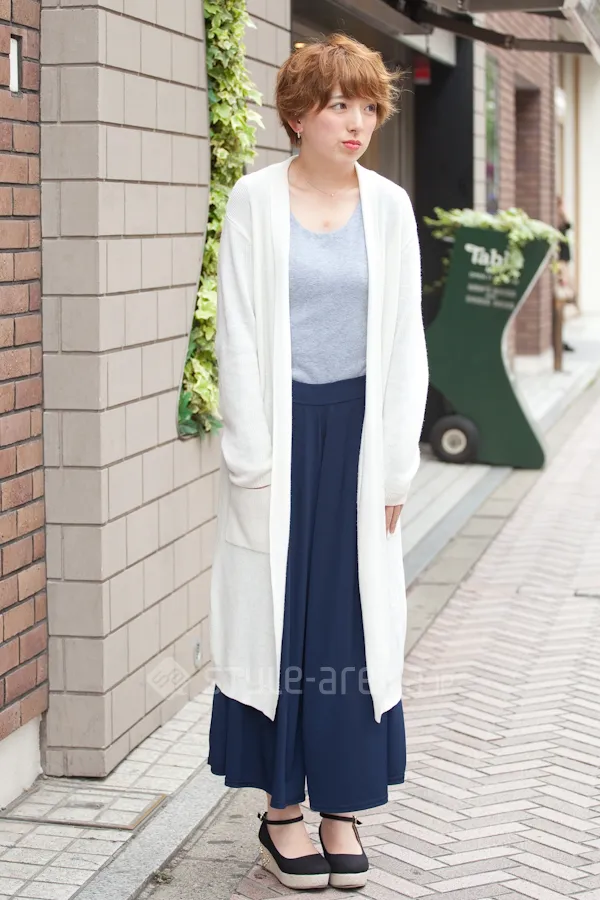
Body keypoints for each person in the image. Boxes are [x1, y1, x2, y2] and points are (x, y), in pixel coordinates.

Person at [207, 33, 429, 892]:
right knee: (282, 623)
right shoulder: (255, 201)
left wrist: (397, 468)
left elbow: (405, 342)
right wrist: (252, 461)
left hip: (361, 438)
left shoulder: (391, 207)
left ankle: (343, 806)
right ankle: (282, 814)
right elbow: (237, 332)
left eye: (368, 105)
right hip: (281, 438)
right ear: (298, 115)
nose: (357, 121)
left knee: (350, 627)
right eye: (339, 105)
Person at [556, 196, 577, 352]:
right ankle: (558, 340)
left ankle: (560, 338)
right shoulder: (556, 223)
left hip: (564, 265)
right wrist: (562, 274)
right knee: (562, 302)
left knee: (566, 301)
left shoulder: (561, 220)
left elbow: (569, 225)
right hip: (561, 266)